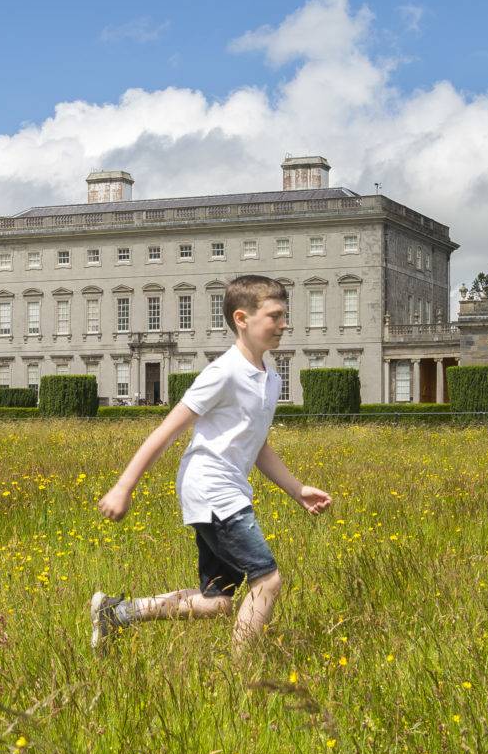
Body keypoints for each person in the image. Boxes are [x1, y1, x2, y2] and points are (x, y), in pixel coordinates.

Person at [90, 275, 331, 656]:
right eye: (275, 316)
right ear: (242, 319)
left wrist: (296, 489)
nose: (284, 324)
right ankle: (241, 675)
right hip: (212, 488)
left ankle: (116, 613)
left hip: (228, 490)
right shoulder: (223, 372)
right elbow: (167, 431)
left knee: (217, 601)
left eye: (284, 316)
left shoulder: (270, 379)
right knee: (267, 581)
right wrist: (124, 486)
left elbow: (257, 444)